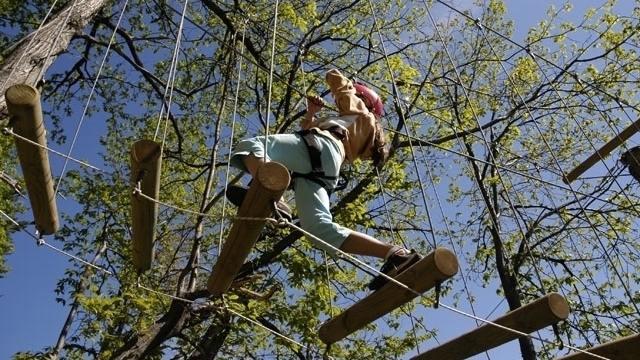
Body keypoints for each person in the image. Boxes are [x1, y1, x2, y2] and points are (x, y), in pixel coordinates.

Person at [228, 69, 421, 290]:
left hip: (321, 147)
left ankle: (272, 196)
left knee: (253, 146)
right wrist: (312, 112)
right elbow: (308, 130)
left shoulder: (360, 112)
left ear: (363, 100)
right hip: (326, 167)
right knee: (317, 227)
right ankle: (395, 254)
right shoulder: (359, 128)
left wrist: (334, 76)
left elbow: (339, 84)